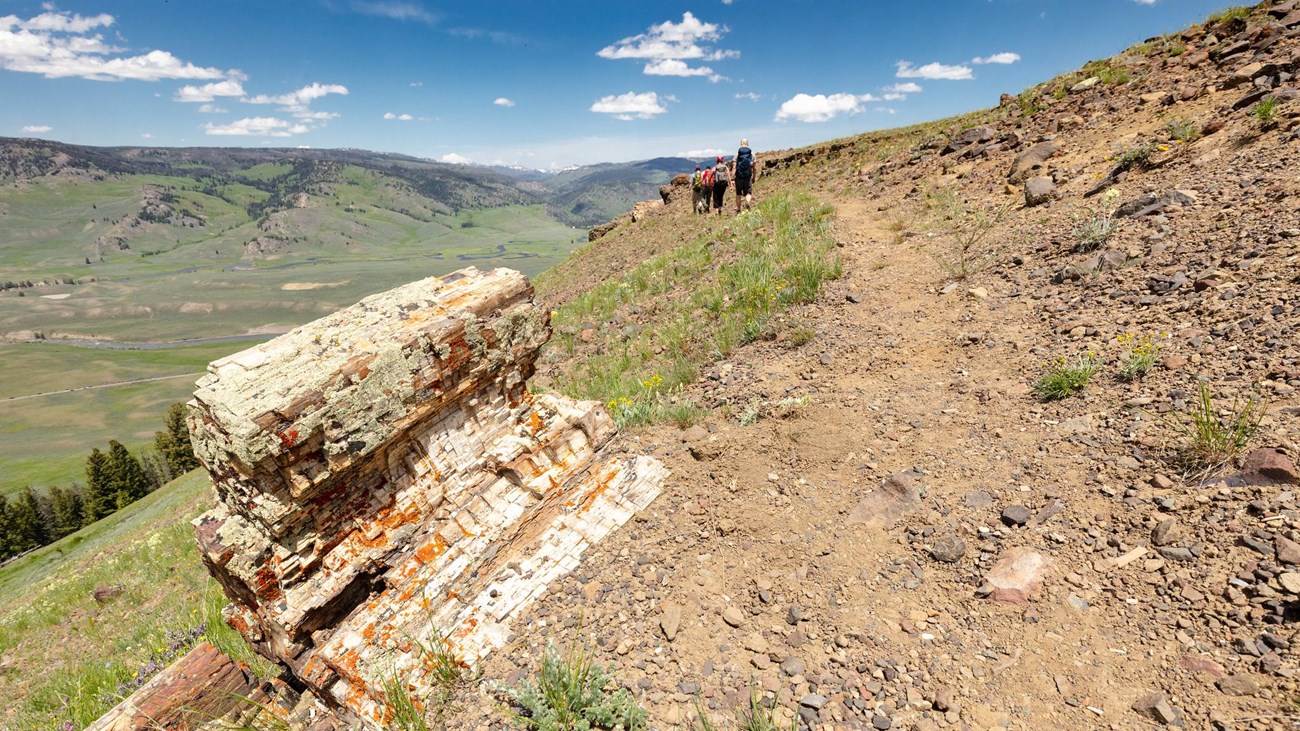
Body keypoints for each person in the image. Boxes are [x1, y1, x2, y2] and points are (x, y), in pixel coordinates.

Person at [734, 138, 755, 213]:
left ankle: (738, 209)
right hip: (748, 175)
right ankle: (748, 202)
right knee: (748, 192)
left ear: (741, 143)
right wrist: (754, 176)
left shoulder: (738, 153)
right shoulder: (752, 153)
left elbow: (734, 166)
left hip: (739, 176)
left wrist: (733, 177)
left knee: (738, 193)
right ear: (747, 143)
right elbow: (754, 167)